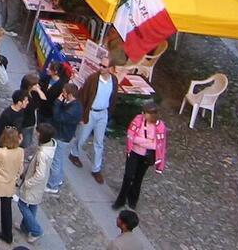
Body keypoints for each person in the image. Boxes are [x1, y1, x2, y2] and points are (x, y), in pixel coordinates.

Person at [70, 56, 118, 184]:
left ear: (111, 68)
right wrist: (81, 115)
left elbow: (113, 97)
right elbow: (83, 96)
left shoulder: (113, 80)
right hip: (90, 112)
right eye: (100, 65)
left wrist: (109, 112)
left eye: (104, 66)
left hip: (103, 113)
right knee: (82, 137)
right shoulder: (92, 79)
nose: (101, 68)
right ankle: (74, 153)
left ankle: (96, 169)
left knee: (99, 142)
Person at [113, 101, 167, 210]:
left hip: (146, 156)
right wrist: (147, 141)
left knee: (138, 178)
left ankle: (133, 199)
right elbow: (131, 137)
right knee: (128, 176)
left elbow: (157, 145)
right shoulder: (138, 120)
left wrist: (141, 141)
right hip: (134, 152)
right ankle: (120, 200)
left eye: (145, 113)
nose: (142, 114)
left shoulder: (160, 126)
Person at [17, 123, 57, 244]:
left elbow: (39, 174)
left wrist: (28, 183)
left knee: (22, 204)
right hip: (39, 185)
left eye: (38, 132)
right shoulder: (50, 147)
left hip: (34, 184)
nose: (36, 133)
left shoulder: (42, 154)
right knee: (33, 205)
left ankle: (36, 230)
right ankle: (25, 227)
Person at [46, 82, 83, 193]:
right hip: (63, 134)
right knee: (60, 159)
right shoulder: (72, 104)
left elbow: (58, 117)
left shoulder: (73, 109)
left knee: (56, 161)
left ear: (70, 94)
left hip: (62, 136)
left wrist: (57, 102)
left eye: (64, 93)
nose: (62, 94)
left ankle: (52, 185)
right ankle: (59, 179)